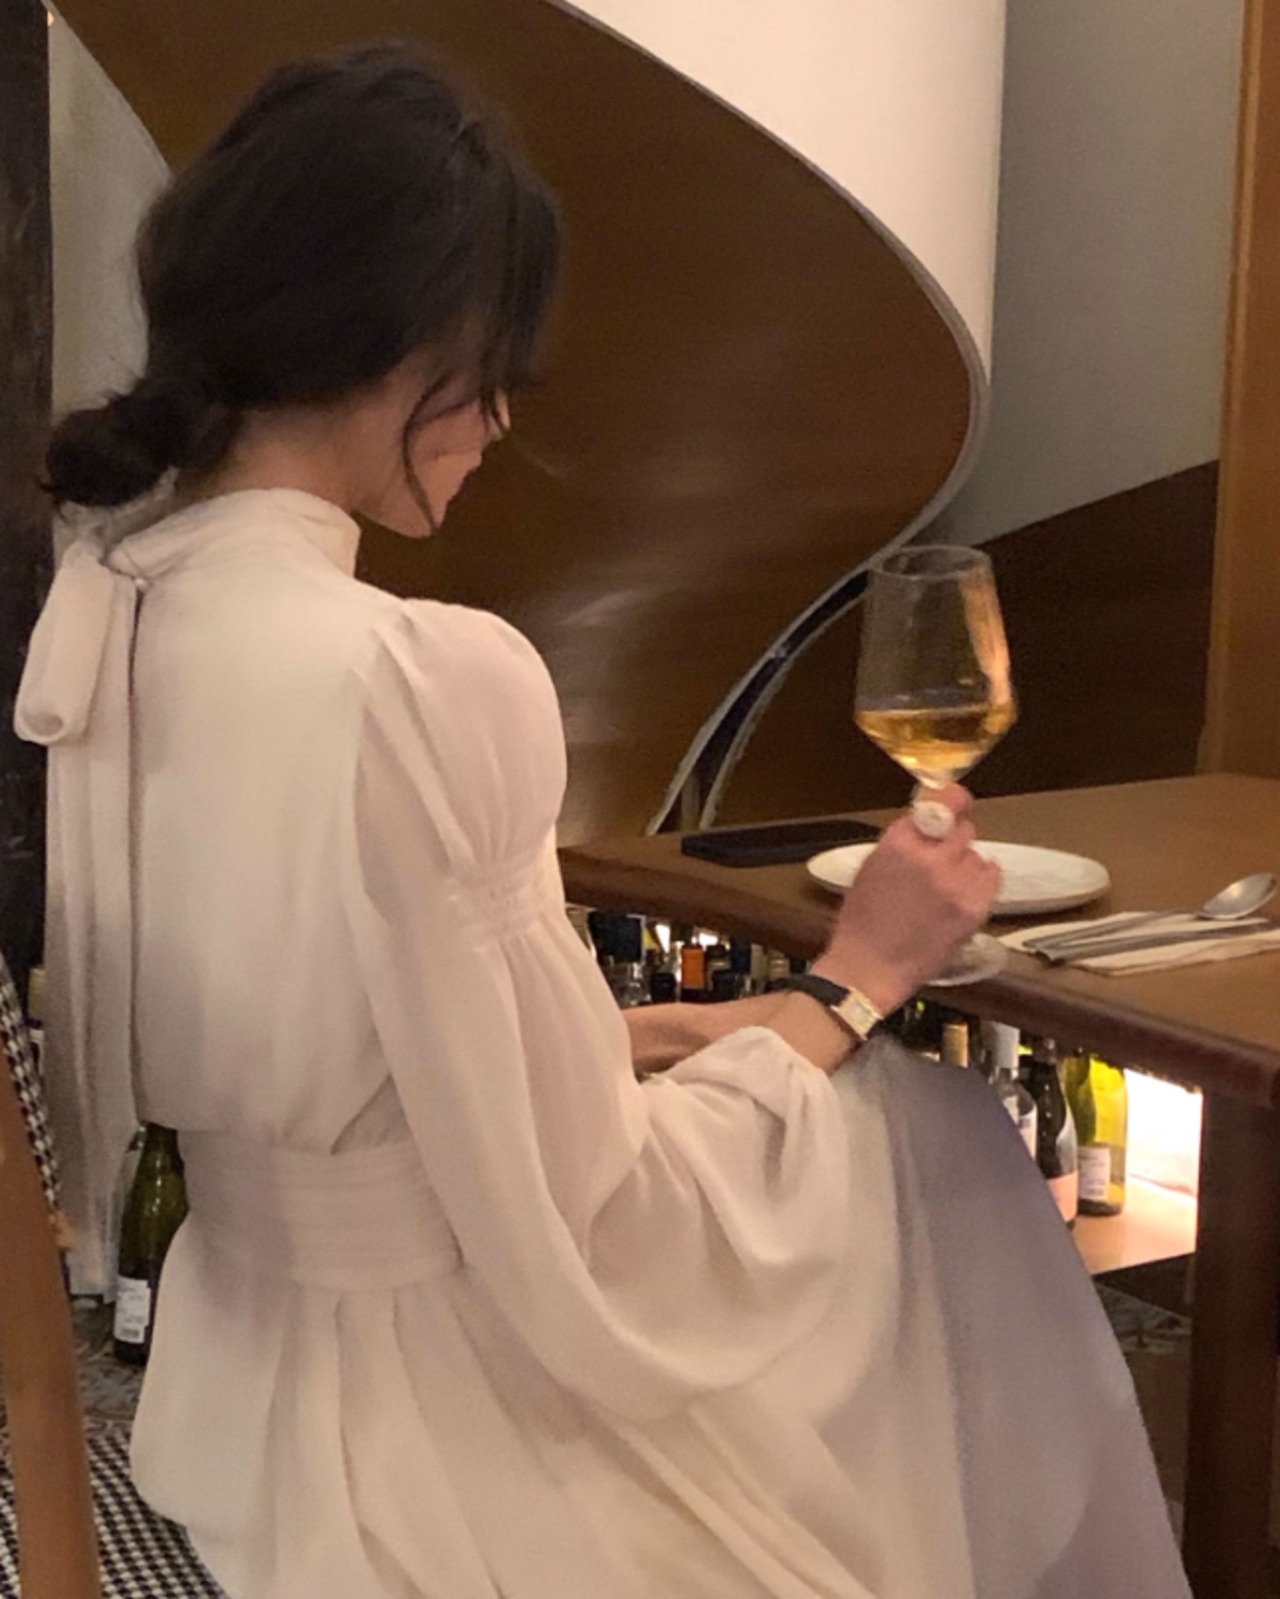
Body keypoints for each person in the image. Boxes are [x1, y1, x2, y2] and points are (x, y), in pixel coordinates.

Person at [17, 43, 1189, 1599]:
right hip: (439, 1452)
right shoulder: (417, 676)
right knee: (939, 1140)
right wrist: (857, 982)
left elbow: (344, 1051)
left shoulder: (108, 620)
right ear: (407, 341)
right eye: (496, 365)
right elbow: (601, 1232)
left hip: (236, 1407)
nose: (502, 417)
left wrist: (650, 1035)